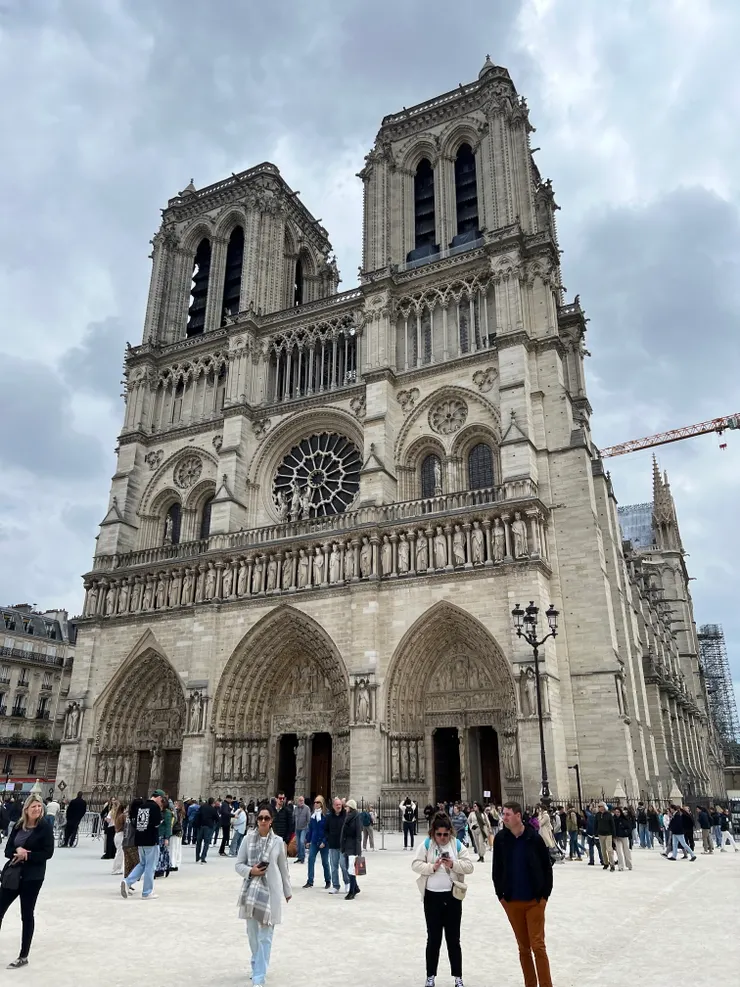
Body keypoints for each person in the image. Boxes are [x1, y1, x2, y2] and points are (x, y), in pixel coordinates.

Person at [493, 801, 554, 987]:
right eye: (503, 814)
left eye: (507, 814)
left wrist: (544, 897)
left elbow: (546, 868)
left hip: (534, 901)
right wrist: (501, 896)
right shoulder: (501, 839)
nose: (504, 818)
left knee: (538, 946)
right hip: (512, 901)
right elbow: (497, 870)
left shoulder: (533, 838)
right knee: (523, 948)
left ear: (518, 816)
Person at [412, 810, 473, 987]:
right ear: (433, 833)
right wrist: (432, 867)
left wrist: (453, 864)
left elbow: (469, 866)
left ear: (450, 832)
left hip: (452, 897)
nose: (442, 838)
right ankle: (430, 976)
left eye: (446, 834)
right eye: (439, 834)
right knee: (433, 939)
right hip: (432, 897)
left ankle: (458, 977)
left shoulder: (457, 845)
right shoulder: (427, 844)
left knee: (454, 939)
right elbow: (415, 864)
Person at [235, 802, 292, 987]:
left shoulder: (278, 842)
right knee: (252, 934)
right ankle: (256, 963)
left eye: (266, 818)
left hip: (270, 892)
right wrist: (251, 871)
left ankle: (259, 976)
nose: (263, 821)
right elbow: (238, 865)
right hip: (251, 891)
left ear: (271, 820)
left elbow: (283, 868)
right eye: (260, 818)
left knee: (265, 937)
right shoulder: (247, 839)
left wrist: (287, 891)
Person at [0, 793, 55, 969]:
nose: (37, 809)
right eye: (34, 806)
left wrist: (27, 855)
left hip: (33, 877)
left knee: (27, 914)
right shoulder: (18, 826)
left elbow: (48, 853)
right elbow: (7, 850)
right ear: (26, 809)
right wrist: (17, 850)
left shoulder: (45, 828)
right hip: (13, 874)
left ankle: (23, 955)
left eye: (39, 806)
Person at [120, 789, 165, 900]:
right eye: (162, 800)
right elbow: (157, 823)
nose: (162, 802)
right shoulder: (154, 807)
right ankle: (147, 892)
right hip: (151, 840)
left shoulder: (142, 806)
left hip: (140, 839)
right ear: (159, 797)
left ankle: (127, 881)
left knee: (142, 864)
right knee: (150, 866)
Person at [303, 795, 331, 889]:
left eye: (318, 802)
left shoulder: (327, 815)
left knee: (325, 862)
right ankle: (310, 881)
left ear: (322, 804)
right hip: (314, 841)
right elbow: (311, 829)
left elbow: (328, 830)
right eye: (315, 802)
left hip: (323, 842)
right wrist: (308, 840)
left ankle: (328, 880)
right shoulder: (313, 815)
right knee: (311, 859)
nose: (315, 804)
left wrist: (324, 841)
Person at [325, 797, 349, 894]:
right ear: (333, 806)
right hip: (333, 845)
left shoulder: (346, 816)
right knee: (334, 866)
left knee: (343, 865)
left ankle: (347, 883)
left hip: (343, 845)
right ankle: (335, 886)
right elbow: (326, 829)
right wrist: (328, 838)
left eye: (340, 804)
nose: (338, 806)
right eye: (337, 805)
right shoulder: (329, 816)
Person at [341, 799, 362, 900]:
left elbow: (358, 834)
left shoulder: (356, 817)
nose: (345, 808)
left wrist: (358, 850)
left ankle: (351, 891)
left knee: (351, 870)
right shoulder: (348, 816)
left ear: (351, 807)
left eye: (347, 807)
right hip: (346, 846)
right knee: (347, 867)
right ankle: (356, 887)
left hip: (353, 847)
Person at [195, 798, 219, 863]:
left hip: (201, 826)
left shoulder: (202, 807)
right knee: (206, 842)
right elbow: (217, 818)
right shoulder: (213, 809)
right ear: (213, 803)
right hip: (208, 826)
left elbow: (198, 815)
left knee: (199, 842)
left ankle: (197, 856)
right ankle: (203, 857)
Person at [595, 802, 616, 871]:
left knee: (609, 849)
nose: (599, 808)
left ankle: (612, 864)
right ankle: (606, 863)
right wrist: (595, 833)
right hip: (601, 834)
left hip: (608, 834)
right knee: (603, 850)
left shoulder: (608, 814)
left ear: (604, 807)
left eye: (600, 806)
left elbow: (612, 825)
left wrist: (614, 834)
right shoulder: (597, 815)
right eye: (598, 807)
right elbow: (595, 824)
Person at [155, 799, 173, 878]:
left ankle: (161, 869)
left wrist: (167, 838)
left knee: (161, 853)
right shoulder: (158, 811)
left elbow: (168, 826)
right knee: (161, 852)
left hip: (162, 834)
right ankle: (163, 867)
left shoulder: (167, 813)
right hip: (157, 834)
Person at [292, 795, 310, 864]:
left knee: (302, 842)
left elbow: (309, 819)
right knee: (298, 843)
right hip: (297, 828)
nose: (301, 802)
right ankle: (299, 857)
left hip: (304, 828)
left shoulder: (307, 808)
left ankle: (303, 857)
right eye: (300, 800)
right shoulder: (296, 808)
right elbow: (293, 817)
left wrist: (307, 828)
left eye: (302, 800)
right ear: (297, 801)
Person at [111, 801, 127, 875]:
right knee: (120, 853)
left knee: (119, 852)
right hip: (121, 834)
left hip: (117, 834)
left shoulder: (117, 815)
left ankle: (116, 868)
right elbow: (126, 825)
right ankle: (116, 868)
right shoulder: (123, 816)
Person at [169, 800, 184, 871]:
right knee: (177, 848)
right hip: (179, 831)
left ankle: (172, 864)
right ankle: (177, 863)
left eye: (176, 804)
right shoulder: (181, 812)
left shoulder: (176, 812)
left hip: (175, 831)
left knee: (173, 849)